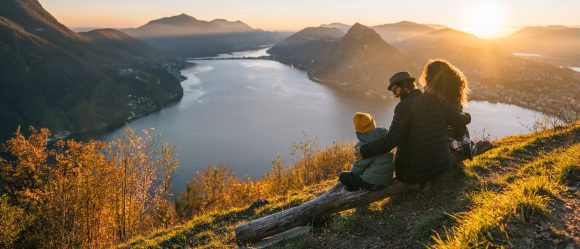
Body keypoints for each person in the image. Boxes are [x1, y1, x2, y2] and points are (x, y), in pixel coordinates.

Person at [354, 71, 471, 185]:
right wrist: (468, 116)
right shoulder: (434, 98)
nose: (395, 95)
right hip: (441, 164)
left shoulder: (403, 107)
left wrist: (364, 151)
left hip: (413, 174)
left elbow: (391, 140)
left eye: (395, 90)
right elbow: (457, 119)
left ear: (404, 86)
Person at [420, 59, 476, 160]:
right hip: (447, 142)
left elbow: (453, 117)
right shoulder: (443, 95)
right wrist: (468, 117)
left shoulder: (429, 94)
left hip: (434, 141)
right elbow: (456, 119)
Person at [339, 112, 394, 191]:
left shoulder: (364, 146)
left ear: (357, 129)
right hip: (387, 179)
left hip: (373, 182)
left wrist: (352, 173)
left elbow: (358, 168)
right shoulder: (384, 137)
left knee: (343, 176)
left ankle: (355, 190)